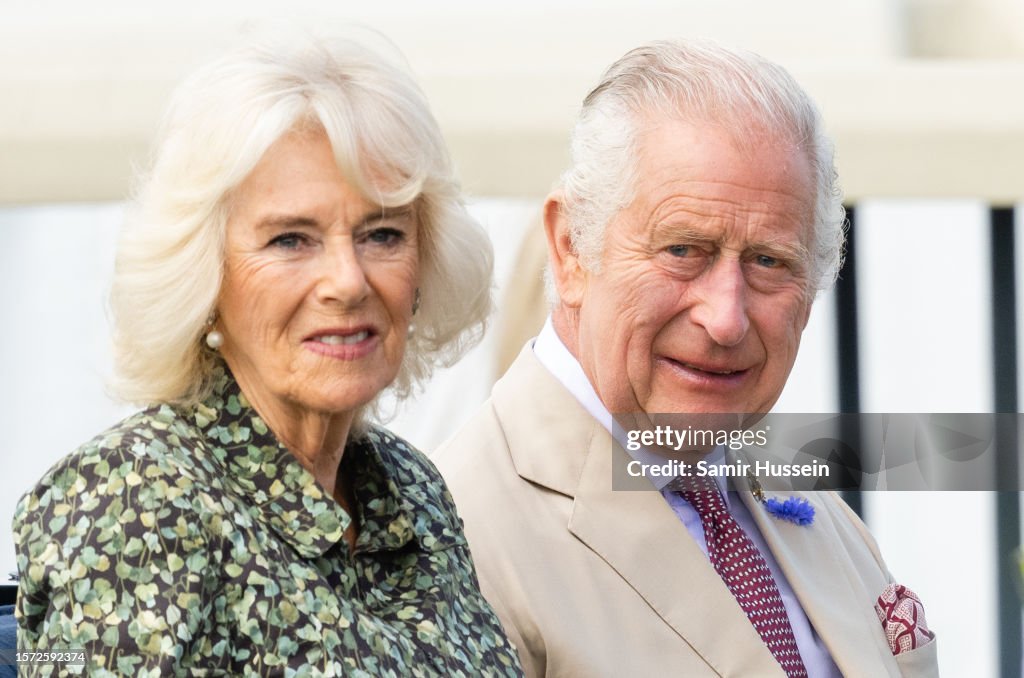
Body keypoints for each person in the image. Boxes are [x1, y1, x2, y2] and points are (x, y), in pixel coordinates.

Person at [12, 36, 523, 676]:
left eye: (382, 233)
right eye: (291, 239)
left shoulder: (411, 489)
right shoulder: (134, 498)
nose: (348, 280)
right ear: (204, 278)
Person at [433, 40, 939, 677]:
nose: (725, 318)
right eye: (682, 250)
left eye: (768, 261)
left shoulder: (804, 506)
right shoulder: (455, 537)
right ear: (570, 251)